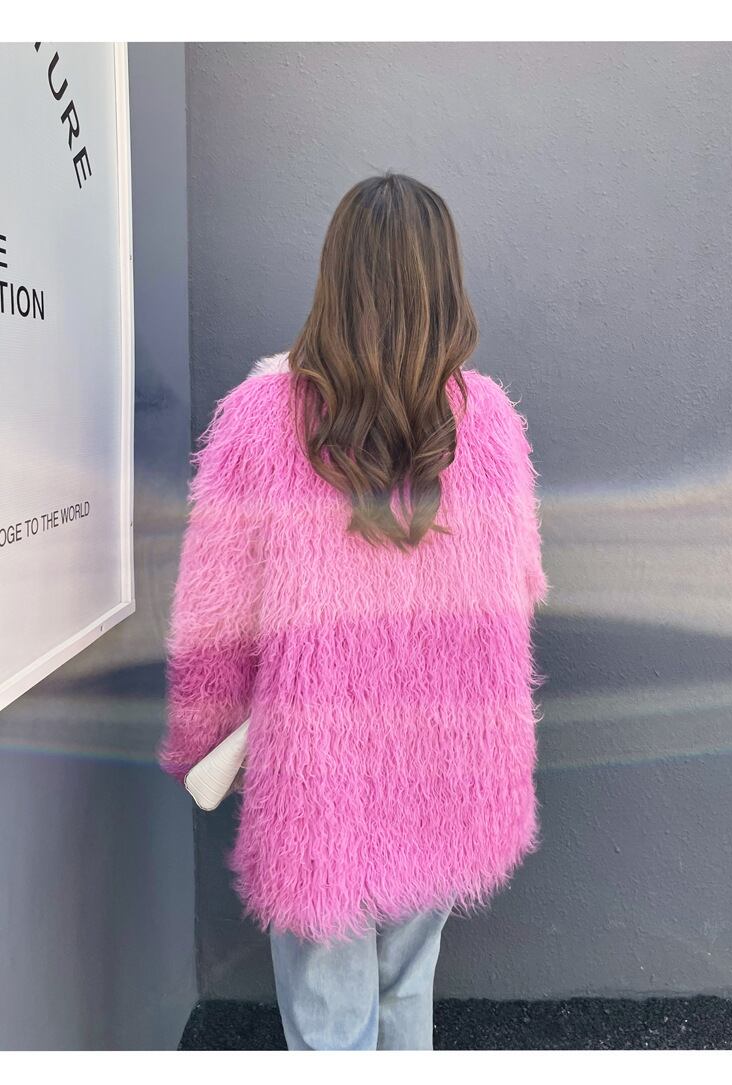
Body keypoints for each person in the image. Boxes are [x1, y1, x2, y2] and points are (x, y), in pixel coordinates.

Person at [158, 172, 549, 1050]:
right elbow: (522, 583)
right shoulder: (486, 421)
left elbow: (213, 616)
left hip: (320, 772)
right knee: (409, 991)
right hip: (451, 756)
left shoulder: (261, 422)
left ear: (334, 275)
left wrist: (201, 740)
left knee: (330, 1020)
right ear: (445, 281)